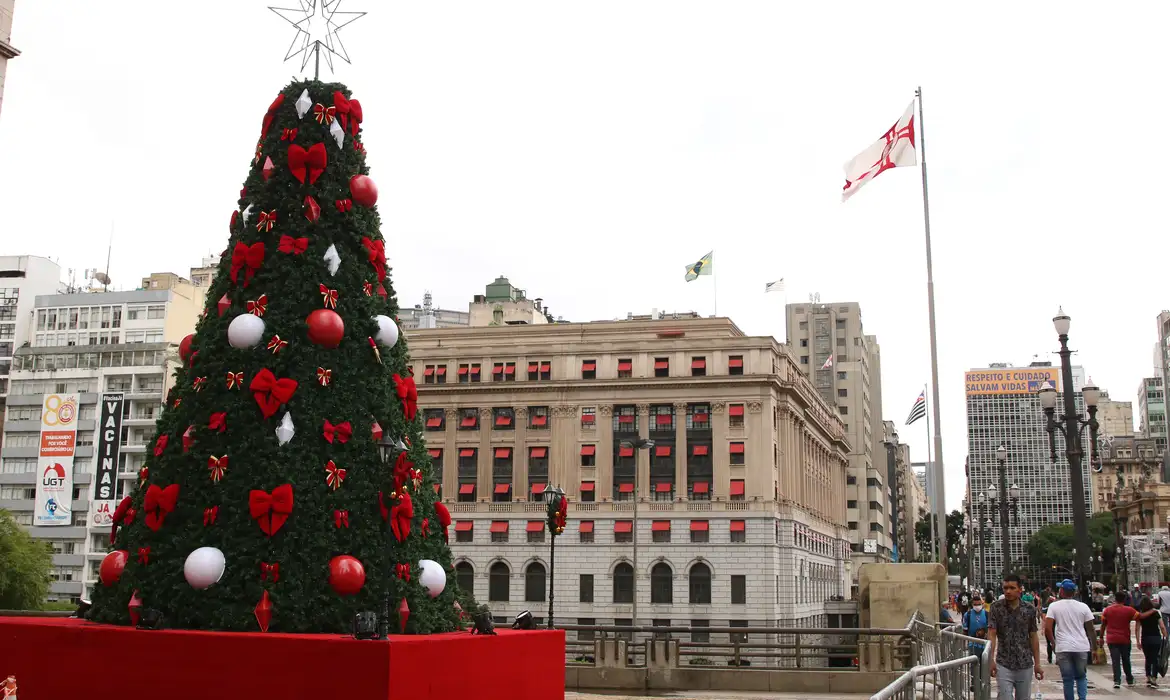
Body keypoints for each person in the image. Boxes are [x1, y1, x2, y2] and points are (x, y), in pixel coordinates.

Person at [989, 574, 1044, 699]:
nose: (1008, 591)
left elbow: (1033, 636)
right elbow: (992, 634)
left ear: (1020, 589)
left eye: (1012, 588)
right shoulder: (996, 608)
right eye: (1005, 588)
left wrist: (1038, 664)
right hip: (1003, 663)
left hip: (1025, 664)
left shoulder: (1029, 609)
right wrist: (990, 659)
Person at [1045, 579, 1096, 700]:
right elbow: (1091, 629)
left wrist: (1053, 643)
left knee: (1067, 679)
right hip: (1081, 646)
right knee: (1081, 676)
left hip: (1063, 647)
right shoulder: (1083, 607)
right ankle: (1082, 698)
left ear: (1061, 591)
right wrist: (1094, 648)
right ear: (1074, 592)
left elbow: (1047, 628)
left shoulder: (1054, 606)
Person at [1099, 590, 1138, 689]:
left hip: (1112, 639)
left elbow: (1103, 625)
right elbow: (1139, 617)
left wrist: (1101, 637)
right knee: (1126, 660)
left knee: (1115, 661)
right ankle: (1129, 679)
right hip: (1125, 639)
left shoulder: (1107, 610)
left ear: (1115, 599)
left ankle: (1117, 680)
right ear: (1124, 599)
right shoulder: (1129, 610)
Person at [1137, 596, 1168, 688]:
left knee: (1147, 658)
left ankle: (1148, 677)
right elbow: (1162, 626)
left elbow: (1137, 628)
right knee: (1155, 659)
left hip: (1145, 638)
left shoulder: (1140, 615)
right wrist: (1165, 636)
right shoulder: (1155, 613)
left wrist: (1138, 641)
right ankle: (1154, 678)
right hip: (1155, 638)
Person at [963, 595, 990, 661]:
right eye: (975, 604)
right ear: (972, 604)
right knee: (973, 666)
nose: (977, 606)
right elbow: (964, 631)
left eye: (979, 604)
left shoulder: (987, 614)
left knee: (984, 666)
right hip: (972, 645)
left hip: (985, 645)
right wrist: (964, 645)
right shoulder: (967, 614)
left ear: (982, 603)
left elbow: (990, 629)